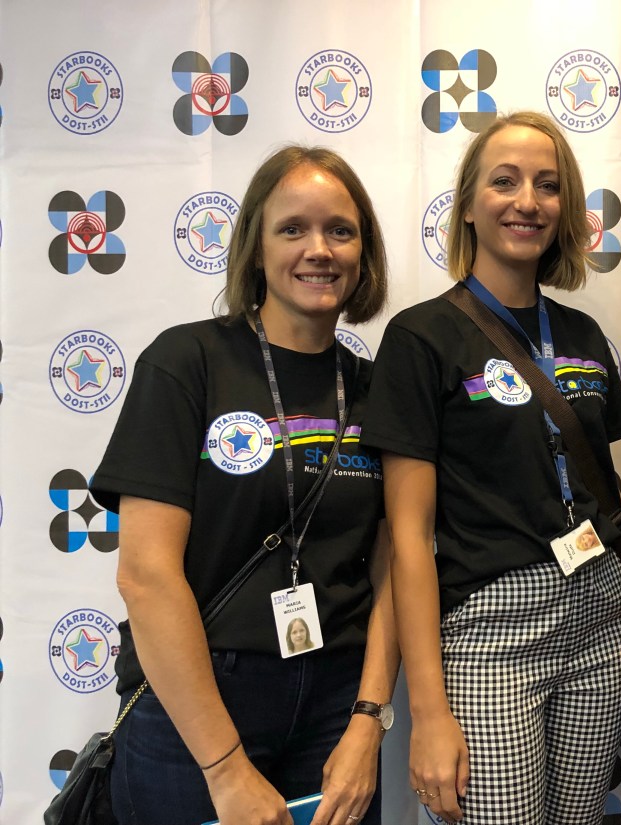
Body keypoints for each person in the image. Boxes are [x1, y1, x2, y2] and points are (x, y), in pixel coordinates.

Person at [363, 111, 621, 825]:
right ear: (468, 205)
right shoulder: (421, 337)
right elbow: (408, 536)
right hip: (492, 632)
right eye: (504, 182)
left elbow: (604, 488)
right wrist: (428, 711)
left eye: (547, 185)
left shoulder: (583, 334)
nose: (527, 201)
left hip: (600, 615)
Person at [90, 146, 399, 825]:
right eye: (293, 229)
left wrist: (368, 720)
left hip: (337, 701)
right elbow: (145, 574)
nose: (319, 250)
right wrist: (225, 767)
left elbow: (392, 566)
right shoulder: (186, 362)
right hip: (197, 702)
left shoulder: (376, 389)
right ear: (257, 248)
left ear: (364, 252)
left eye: (340, 230)